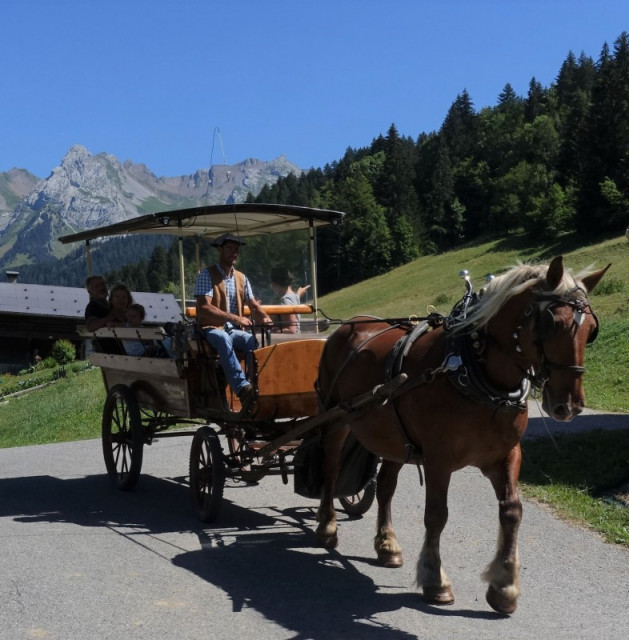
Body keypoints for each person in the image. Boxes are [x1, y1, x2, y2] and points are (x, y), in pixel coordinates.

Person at [194, 233, 272, 413]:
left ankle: (256, 385)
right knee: (222, 338)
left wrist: (265, 318)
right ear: (220, 249)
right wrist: (236, 318)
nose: (234, 253)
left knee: (253, 341)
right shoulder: (207, 274)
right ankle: (242, 388)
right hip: (209, 329)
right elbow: (204, 308)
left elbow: (253, 305)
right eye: (230, 248)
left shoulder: (241, 278)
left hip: (233, 330)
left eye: (236, 250)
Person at [84, 276, 128, 354]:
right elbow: (91, 326)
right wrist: (111, 317)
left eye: (102, 284)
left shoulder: (110, 305)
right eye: (97, 286)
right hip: (110, 354)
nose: (102, 288)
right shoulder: (92, 307)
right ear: (90, 292)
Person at [270, 266, 310, 333]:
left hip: (289, 340)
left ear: (275, 284)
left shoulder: (286, 300)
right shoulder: (294, 296)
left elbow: (291, 330)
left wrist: (272, 331)